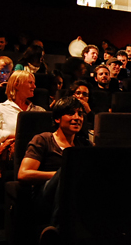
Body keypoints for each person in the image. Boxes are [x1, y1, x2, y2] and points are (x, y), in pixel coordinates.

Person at [17, 96, 92, 225]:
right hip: (46, 195)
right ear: (57, 119)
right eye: (70, 113)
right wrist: (61, 175)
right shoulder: (43, 139)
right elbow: (23, 174)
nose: (77, 118)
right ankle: (55, 228)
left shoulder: (84, 145)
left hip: (78, 195)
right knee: (67, 170)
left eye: (80, 114)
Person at [0, 71, 45, 185]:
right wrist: (17, 136)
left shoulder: (39, 111)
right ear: (16, 85)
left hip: (36, 151)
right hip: (12, 152)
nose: (34, 86)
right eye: (30, 83)